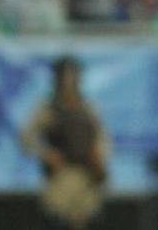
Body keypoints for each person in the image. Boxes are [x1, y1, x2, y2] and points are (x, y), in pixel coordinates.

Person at [22, 57, 108, 230]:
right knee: (57, 220)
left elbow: (102, 137)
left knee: (87, 220)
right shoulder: (48, 108)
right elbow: (26, 138)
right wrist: (46, 154)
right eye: (65, 77)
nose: (69, 82)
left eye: (73, 77)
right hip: (61, 175)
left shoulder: (88, 107)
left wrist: (100, 158)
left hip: (87, 176)